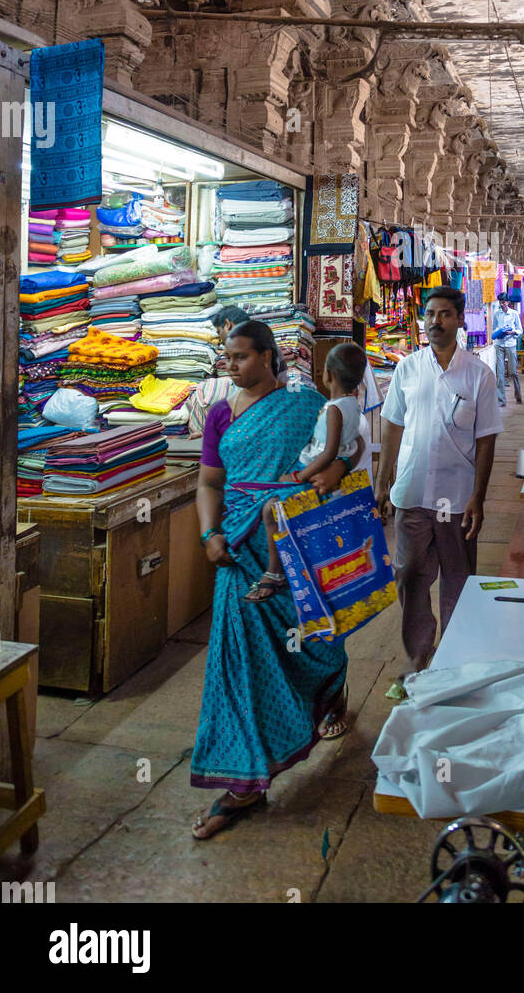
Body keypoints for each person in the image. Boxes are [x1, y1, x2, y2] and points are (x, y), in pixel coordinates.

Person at [190, 321, 349, 839]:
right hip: (239, 551)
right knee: (242, 664)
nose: (229, 365)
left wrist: (337, 470)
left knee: (313, 648)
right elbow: (209, 481)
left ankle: (328, 690)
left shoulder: (304, 406)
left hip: (293, 546)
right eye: (226, 357)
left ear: (267, 356)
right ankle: (244, 784)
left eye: (239, 356)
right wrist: (209, 531)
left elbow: (345, 448)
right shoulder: (218, 414)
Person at [375, 287, 502, 695]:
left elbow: (486, 439)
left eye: (445, 314)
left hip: (456, 495)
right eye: (429, 314)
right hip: (411, 491)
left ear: (461, 319)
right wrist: (382, 481)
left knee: (458, 577)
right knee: (409, 574)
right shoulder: (407, 369)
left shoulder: (478, 374)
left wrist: (478, 497)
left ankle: (452, 656)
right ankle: (417, 656)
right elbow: (392, 426)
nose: (435, 321)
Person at [245, 341, 368, 603]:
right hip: (320, 470)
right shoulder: (351, 405)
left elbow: (330, 451)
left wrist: (300, 476)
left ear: (328, 374)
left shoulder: (332, 407)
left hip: (312, 470)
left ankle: (274, 571)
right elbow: (355, 443)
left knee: (271, 510)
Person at [491, 292, 523, 406]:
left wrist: (513, 332)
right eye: (500, 302)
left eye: (503, 302)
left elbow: (520, 329)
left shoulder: (514, 314)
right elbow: (494, 328)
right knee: (500, 373)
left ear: (508, 302)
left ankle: (518, 396)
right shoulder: (496, 314)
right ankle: (501, 400)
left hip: (510, 344)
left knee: (513, 372)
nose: (501, 304)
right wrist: (497, 333)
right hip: (499, 344)